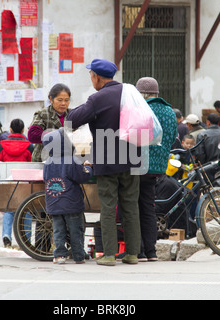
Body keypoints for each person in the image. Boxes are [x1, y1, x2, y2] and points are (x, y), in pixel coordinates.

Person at [66, 58, 141, 266]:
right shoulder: (130, 92)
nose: (91, 80)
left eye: (91, 76)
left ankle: (109, 254)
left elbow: (71, 121)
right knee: (130, 206)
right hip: (133, 157)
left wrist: (85, 106)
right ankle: (132, 253)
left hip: (108, 161)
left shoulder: (97, 98)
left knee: (108, 206)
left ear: (97, 77)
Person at [135, 76, 177, 262]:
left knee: (133, 208)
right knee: (148, 208)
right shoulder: (170, 111)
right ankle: (151, 252)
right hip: (158, 168)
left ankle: (139, 251)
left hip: (138, 165)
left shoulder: (141, 109)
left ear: (142, 94)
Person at [42, 128, 93, 264]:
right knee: (76, 230)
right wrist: (88, 168)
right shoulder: (72, 160)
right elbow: (82, 176)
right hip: (72, 203)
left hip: (54, 203)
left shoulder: (47, 162)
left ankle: (59, 255)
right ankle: (78, 255)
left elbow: (45, 179)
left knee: (58, 230)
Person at [0, 119, 34, 247]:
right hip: (24, 182)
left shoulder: (2, 144)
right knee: (27, 209)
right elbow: (32, 163)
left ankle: (6, 235)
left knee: (9, 209)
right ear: (23, 130)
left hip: (8, 182)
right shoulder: (29, 145)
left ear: (10, 130)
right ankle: (26, 239)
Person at [28, 83, 71, 162]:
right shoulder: (43, 114)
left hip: (66, 159)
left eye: (67, 100)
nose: (63, 103)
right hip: (43, 159)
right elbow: (32, 134)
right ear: (51, 99)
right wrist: (56, 136)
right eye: (60, 100)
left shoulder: (72, 114)